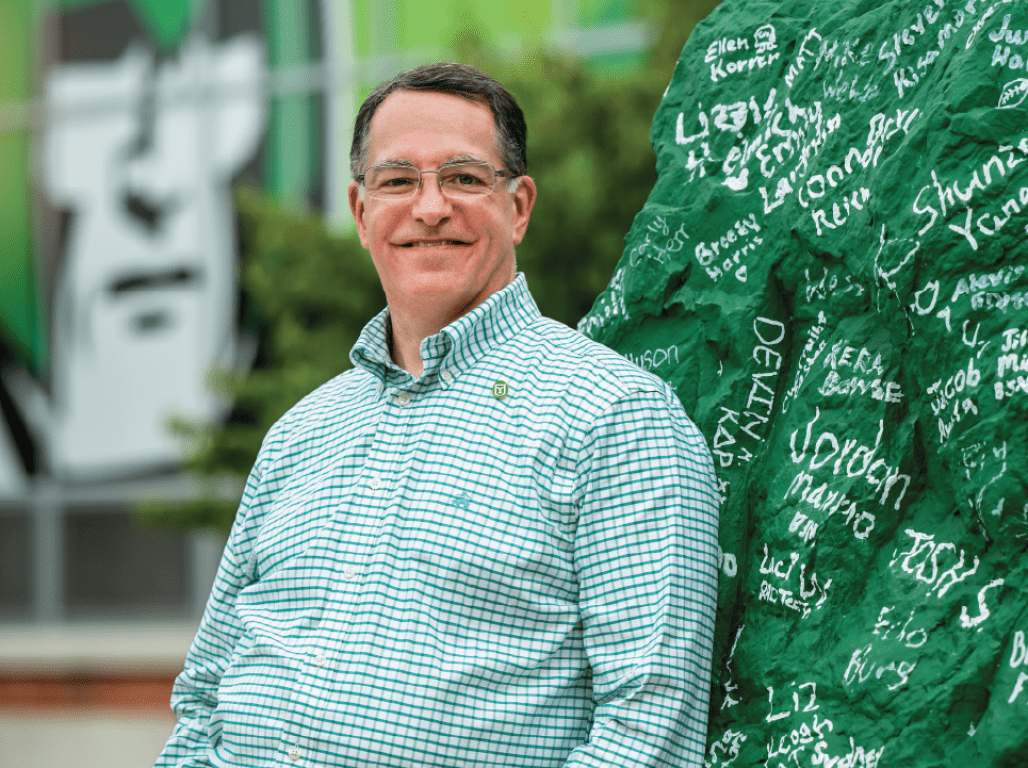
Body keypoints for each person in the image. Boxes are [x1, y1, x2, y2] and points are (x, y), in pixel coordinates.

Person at [156, 62, 720, 768]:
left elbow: (648, 734)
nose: (429, 208)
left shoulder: (615, 419)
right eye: (397, 181)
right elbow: (205, 692)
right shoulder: (300, 433)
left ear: (519, 206)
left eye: (463, 177)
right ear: (362, 214)